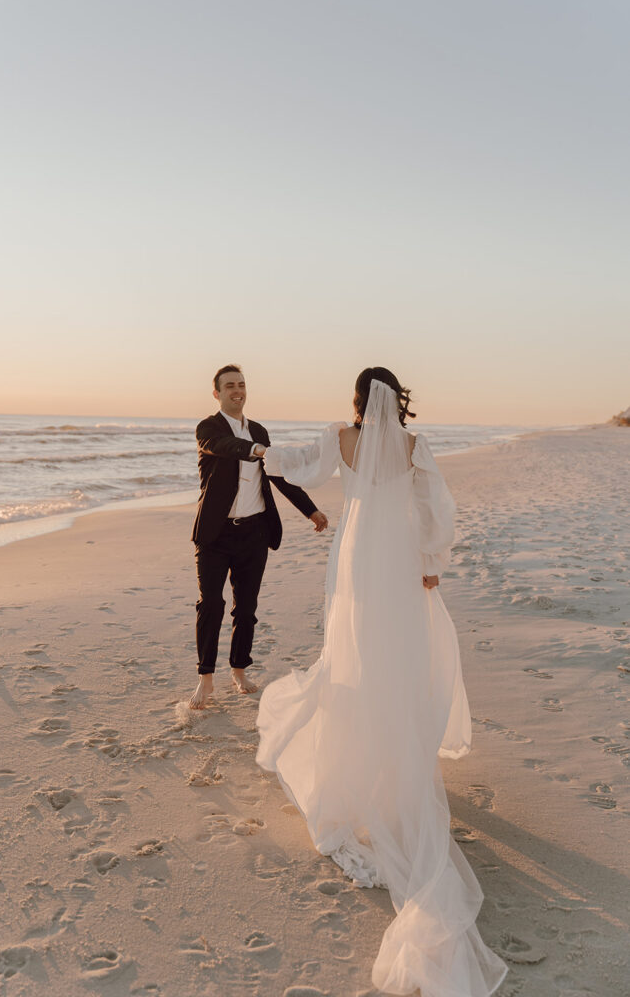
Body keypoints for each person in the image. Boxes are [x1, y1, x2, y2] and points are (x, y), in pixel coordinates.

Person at [255, 368, 507, 997]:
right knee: (401, 649)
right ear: (399, 400)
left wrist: (262, 452)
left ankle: (366, 747)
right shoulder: (416, 448)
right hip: (396, 554)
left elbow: (305, 467)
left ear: (358, 402)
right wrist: (431, 561)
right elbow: (435, 509)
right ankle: (401, 749)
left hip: (358, 554)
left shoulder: (341, 438)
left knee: (356, 650)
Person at [189, 364, 328, 710]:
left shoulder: (260, 430)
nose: (237, 390)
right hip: (215, 534)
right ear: (217, 393)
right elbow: (224, 446)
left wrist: (310, 510)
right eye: (229, 386)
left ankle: (239, 671)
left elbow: (279, 477)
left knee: (246, 608)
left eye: (241, 385)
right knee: (211, 604)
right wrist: (257, 450)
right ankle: (206, 678)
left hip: (253, 532)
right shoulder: (208, 428)